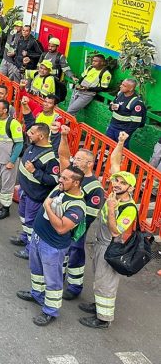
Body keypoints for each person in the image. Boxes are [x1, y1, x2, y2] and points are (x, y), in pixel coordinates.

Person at [79, 131, 137, 329]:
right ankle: (98, 305)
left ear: (130, 188)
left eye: (122, 183)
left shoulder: (128, 208)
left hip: (111, 246)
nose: (117, 183)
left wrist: (111, 209)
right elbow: (115, 160)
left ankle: (104, 319)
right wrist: (121, 142)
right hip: (99, 242)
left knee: (106, 282)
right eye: (116, 180)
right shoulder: (115, 192)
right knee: (98, 276)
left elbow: (115, 232)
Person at [15, 165, 86, 326]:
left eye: (65, 178)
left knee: (53, 280)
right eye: (61, 176)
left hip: (53, 247)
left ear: (76, 183)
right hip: (38, 238)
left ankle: (50, 311)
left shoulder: (77, 207)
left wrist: (47, 206)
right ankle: (37, 294)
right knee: (36, 271)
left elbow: (61, 228)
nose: (60, 180)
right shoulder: (61, 188)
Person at [55, 125, 104, 301]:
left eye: (79, 160)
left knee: (75, 254)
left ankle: (75, 286)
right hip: (62, 222)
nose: (75, 161)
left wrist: (72, 226)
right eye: (75, 158)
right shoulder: (74, 174)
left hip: (77, 228)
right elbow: (63, 156)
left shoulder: (95, 187)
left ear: (89, 164)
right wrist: (63, 137)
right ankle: (58, 278)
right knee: (61, 252)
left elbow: (90, 214)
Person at [11, 123, 60, 260]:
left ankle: (30, 249)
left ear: (41, 136)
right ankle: (25, 238)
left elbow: (53, 180)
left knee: (31, 222)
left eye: (32, 133)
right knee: (23, 216)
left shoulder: (51, 157)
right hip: (25, 190)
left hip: (35, 196)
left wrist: (35, 171)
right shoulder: (33, 144)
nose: (28, 134)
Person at [104, 78, 146, 149]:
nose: (120, 86)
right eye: (121, 84)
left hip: (123, 130)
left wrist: (126, 133)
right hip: (112, 126)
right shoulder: (120, 93)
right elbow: (112, 105)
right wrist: (112, 107)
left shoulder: (136, 102)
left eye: (124, 85)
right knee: (107, 145)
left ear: (131, 89)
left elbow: (136, 122)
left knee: (121, 149)